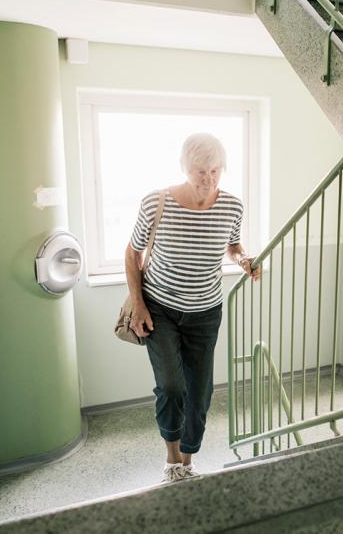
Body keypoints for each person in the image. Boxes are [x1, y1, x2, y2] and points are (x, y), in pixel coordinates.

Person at [124, 133, 260, 483]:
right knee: (171, 386)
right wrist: (138, 305)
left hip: (205, 311)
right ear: (185, 168)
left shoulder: (232, 205)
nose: (208, 178)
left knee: (200, 392)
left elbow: (232, 245)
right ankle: (172, 463)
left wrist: (243, 258)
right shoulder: (157, 203)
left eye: (215, 170)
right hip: (161, 308)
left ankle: (187, 461)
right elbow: (133, 253)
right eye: (200, 171)